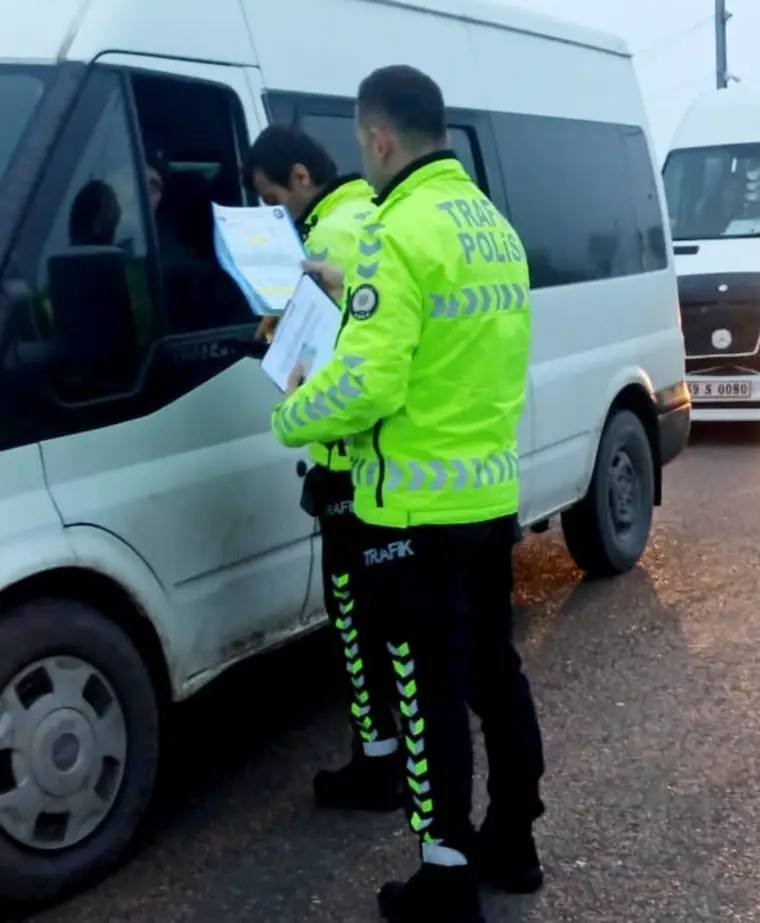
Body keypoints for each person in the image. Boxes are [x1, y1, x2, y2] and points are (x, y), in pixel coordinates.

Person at [269, 66, 546, 923]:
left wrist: (293, 410)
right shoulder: (492, 227)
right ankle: (513, 838)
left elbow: (367, 385)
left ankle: (444, 875)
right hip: (486, 497)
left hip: (410, 518)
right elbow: (449, 358)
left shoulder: (396, 231)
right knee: (495, 672)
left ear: (378, 140)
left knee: (427, 693)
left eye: (363, 145)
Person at [244, 127, 404, 811]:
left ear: (302, 176)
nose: (275, 211)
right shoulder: (373, 213)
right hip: (394, 463)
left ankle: (376, 762)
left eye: (273, 197)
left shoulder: (326, 242)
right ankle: (401, 756)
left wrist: (282, 359)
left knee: (354, 620)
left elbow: (332, 367)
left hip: (344, 465)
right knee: (394, 623)